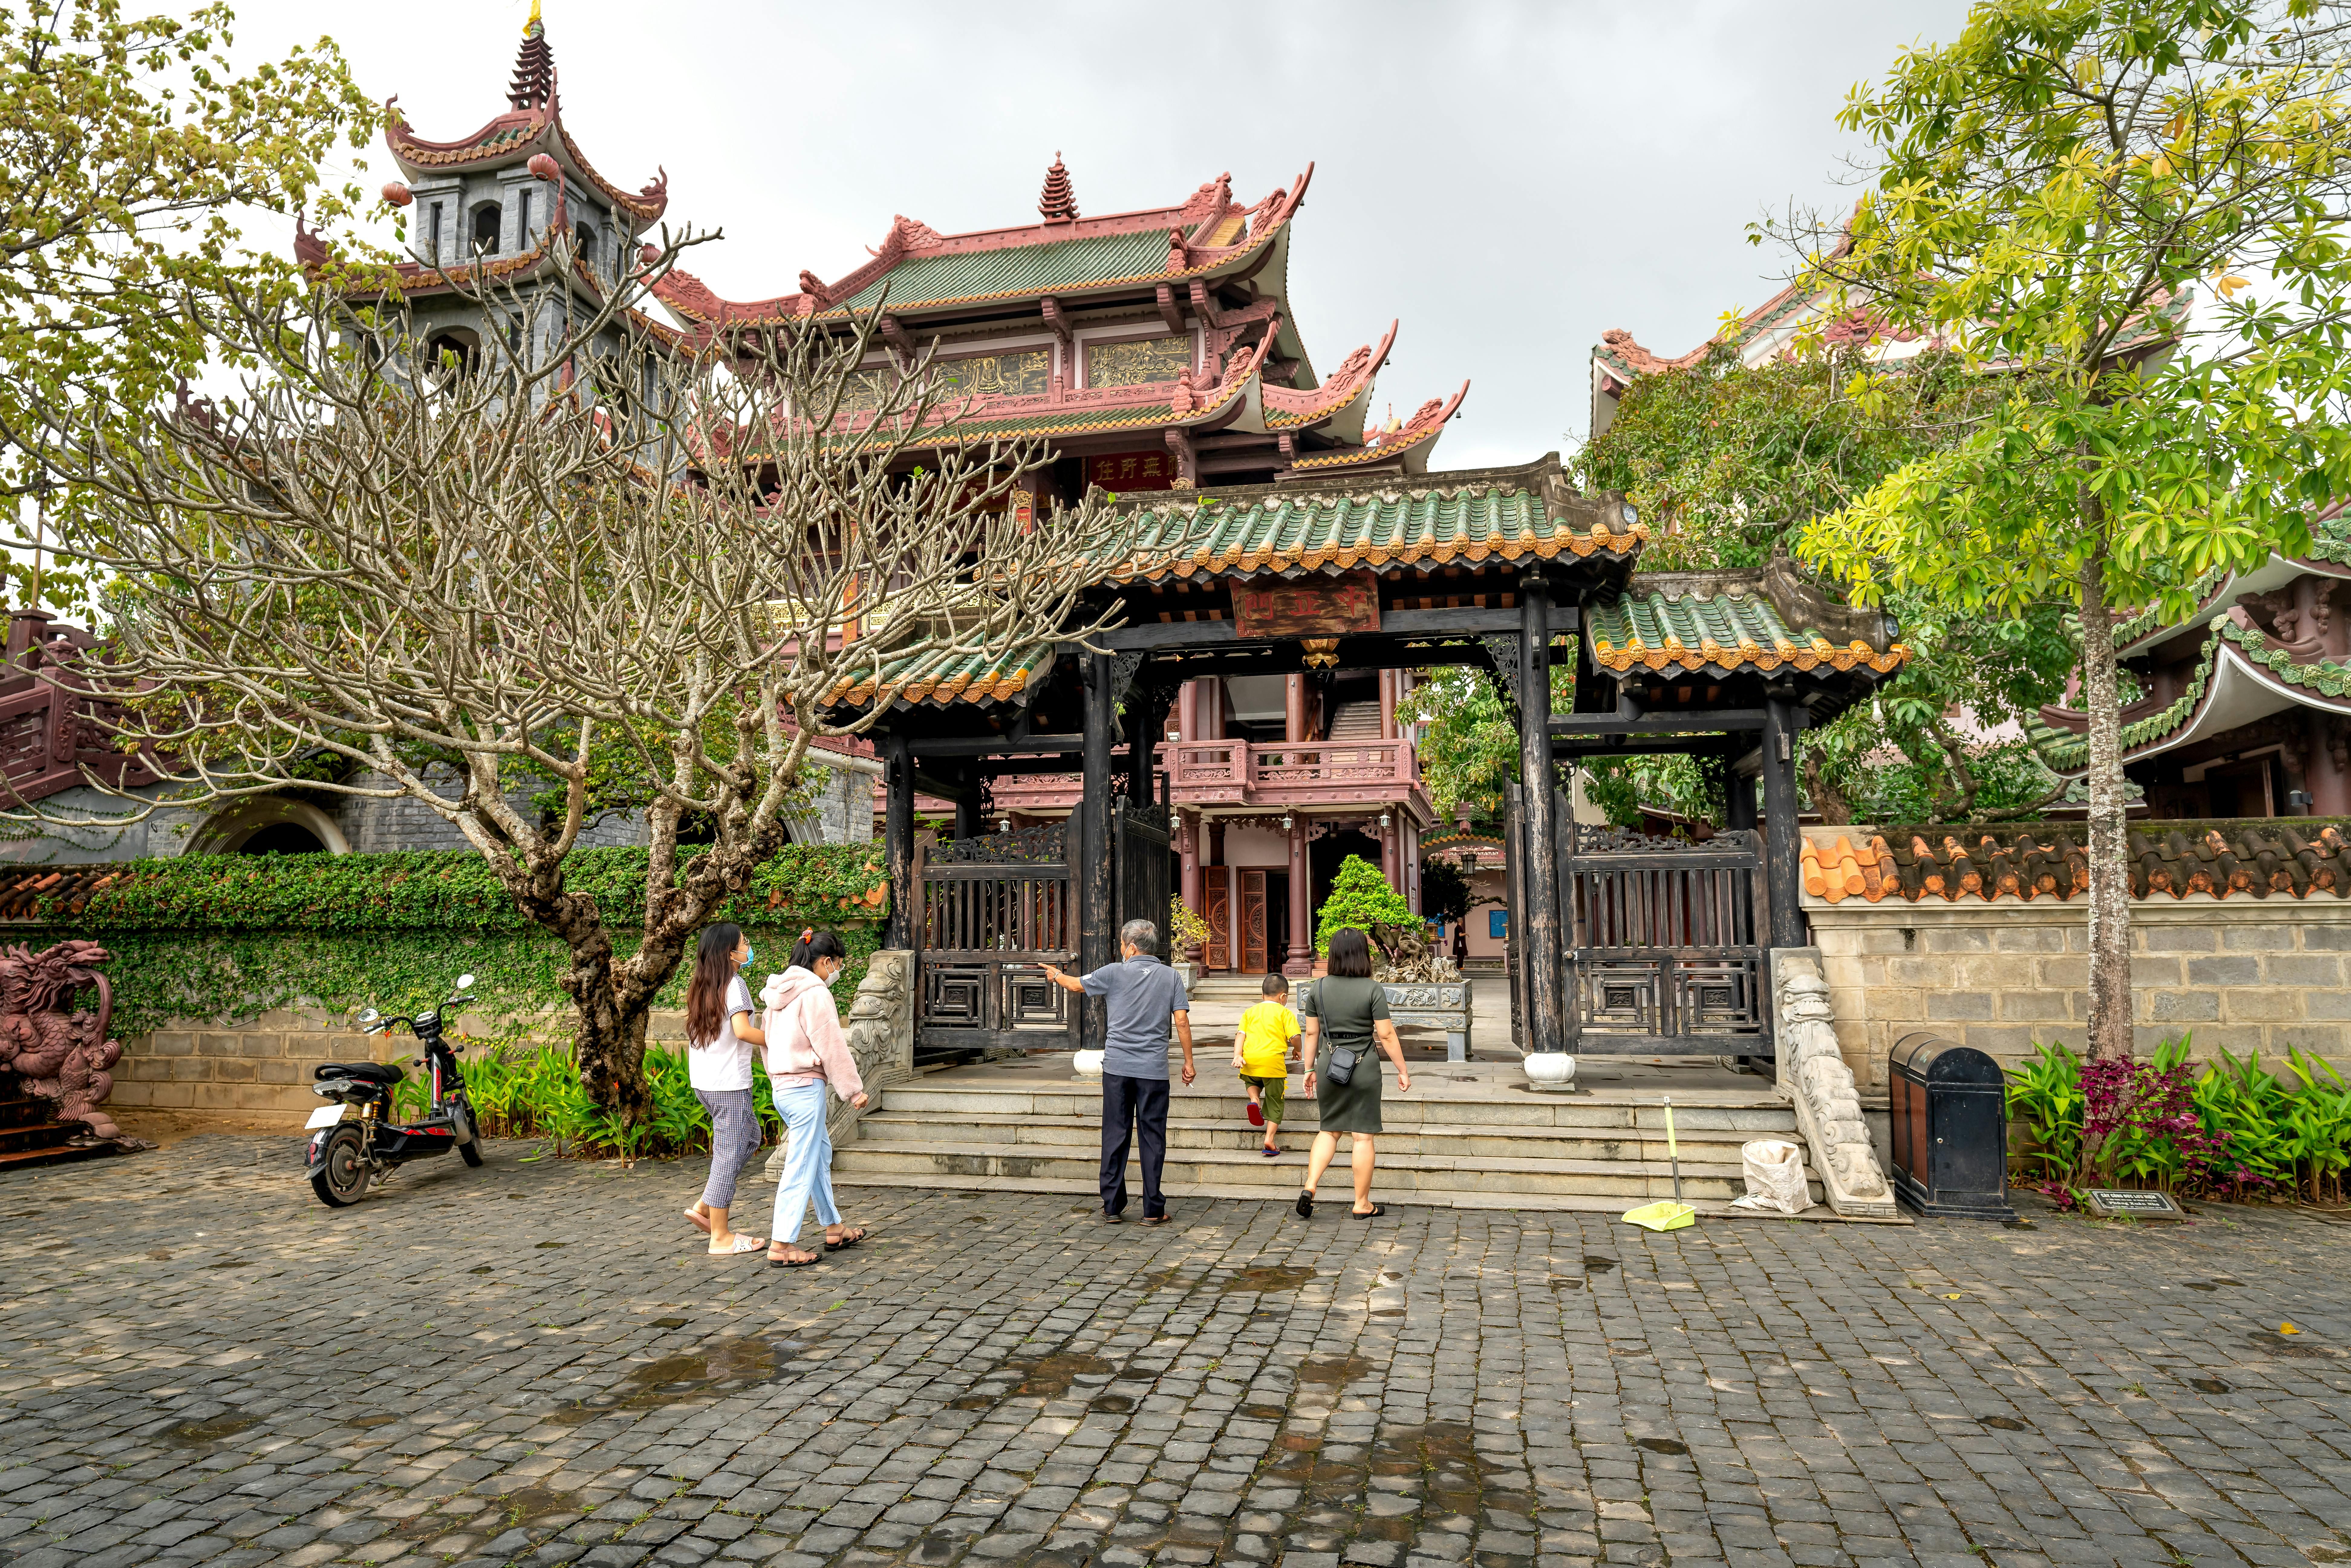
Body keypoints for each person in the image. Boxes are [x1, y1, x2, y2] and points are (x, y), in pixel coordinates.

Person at [1041, 918, 1195, 1225]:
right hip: (1152, 1070)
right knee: (1153, 1137)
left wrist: (1056, 974)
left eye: (1123, 945)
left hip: (1117, 1069)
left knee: (1115, 1134)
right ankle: (1153, 1210)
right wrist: (1189, 1063)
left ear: (1132, 947)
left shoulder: (1113, 973)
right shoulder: (1171, 977)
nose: (1121, 950)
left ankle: (1112, 1206)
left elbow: (1074, 985)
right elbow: (1181, 1022)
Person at [760, 929, 870, 1268]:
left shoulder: (775, 994)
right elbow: (832, 1045)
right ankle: (782, 1244)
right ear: (825, 962)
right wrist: (853, 1089)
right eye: (837, 965)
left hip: (783, 1087)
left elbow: (767, 1042)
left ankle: (834, 1227)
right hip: (805, 1087)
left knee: (817, 1155)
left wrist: (779, 1077)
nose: (836, 972)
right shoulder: (815, 993)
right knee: (802, 1163)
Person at [1297, 925, 1412, 1219]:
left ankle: (1310, 1186)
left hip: (1329, 1064)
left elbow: (1311, 1034)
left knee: (1329, 1129)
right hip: (1363, 1065)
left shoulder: (1318, 988)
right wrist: (1402, 1069)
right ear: (1363, 955)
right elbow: (1385, 1035)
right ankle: (1361, 1204)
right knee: (1362, 1136)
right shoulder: (1372, 989)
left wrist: (1309, 1068)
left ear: (1333, 955)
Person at [683, 922, 768, 1257]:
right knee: (728, 1153)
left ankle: (706, 1204)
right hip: (728, 1084)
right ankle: (720, 1236)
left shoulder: (703, 984)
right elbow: (744, 1031)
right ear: (730, 953)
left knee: (750, 1137)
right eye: (745, 943)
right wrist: (785, 1040)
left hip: (706, 1082)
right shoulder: (736, 984)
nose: (748, 948)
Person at [1232, 973, 1300, 1159]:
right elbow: (1295, 1038)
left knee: (1251, 1080)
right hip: (1273, 1065)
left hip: (1251, 1061)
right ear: (1283, 997)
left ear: (1263, 995)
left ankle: (1254, 1100)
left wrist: (1238, 1055)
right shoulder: (1285, 1013)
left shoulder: (1250, 1012)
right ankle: (1269, 1140)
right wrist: (1297, 1050)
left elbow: (1241, 1035)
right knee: (1276, 1100)